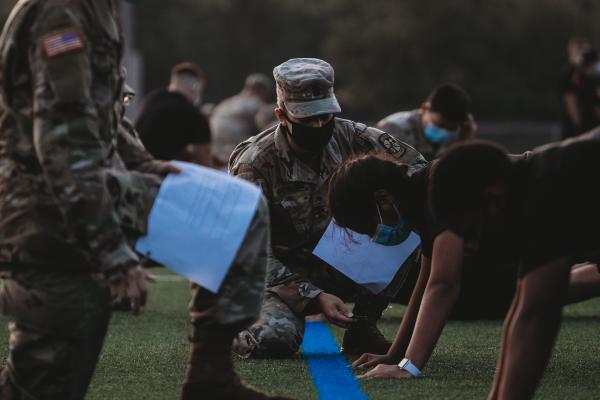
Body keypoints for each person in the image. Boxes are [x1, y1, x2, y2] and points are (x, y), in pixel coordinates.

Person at [325, 137, 600, 393]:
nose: (469, 246)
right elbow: (426, 281)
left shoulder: (441, 190)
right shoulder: (419, 197)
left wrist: (408, 366)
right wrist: (396, 354)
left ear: (383, 199)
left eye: (367, 227)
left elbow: (444, 283)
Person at [0, 0, 154, 398]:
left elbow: (97, 115)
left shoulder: (94, 9)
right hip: (45, 226)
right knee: (42, 383)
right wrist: (114, 254)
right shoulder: (61, 12)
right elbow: (62, 138)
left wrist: (146, 164)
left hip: (64, 227)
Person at [229, 57, 427, 359]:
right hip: (274, 278)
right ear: (281, 116)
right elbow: (250, 251)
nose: (319, 125)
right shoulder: (254, 163)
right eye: (307, 119)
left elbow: (418, 174)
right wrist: (314, 296)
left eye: (325, 115)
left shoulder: (356, 138)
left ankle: (362, 327)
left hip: (337, 261)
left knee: (407, 227)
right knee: (273, 340)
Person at [135, 62, 212, 166]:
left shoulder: (151, 100)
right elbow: (205, 164)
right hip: (158, 172)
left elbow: (160, 141)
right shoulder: (194, 115)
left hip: (134, 165)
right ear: (196, 86)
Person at [377, 83, 476, 160]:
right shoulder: (393, 129)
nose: (444, 131)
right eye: (439, 125)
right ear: (425, 108)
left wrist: (465, 143)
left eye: (451, 128)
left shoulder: (459, 134)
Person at [210, 73, 273, 169]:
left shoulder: (230, 101)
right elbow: (267, 118)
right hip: (233, 139)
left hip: (214, 138)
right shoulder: (254, 102)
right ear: (262, 90)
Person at [559, 46, 600, 139]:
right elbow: (571, 102)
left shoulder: (586, 79)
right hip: (585, 130)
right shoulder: (585, 80)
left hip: (583, 129)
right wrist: (578, 126)